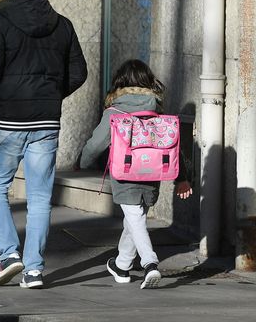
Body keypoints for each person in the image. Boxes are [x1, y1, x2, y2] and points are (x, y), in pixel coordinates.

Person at [0, 0, 88, 289]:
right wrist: (50, 95)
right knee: (40, 196)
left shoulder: (0, 21)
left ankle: (9, 255)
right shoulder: (62, 25)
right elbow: (79, 73)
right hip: (46, 121)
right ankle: (35, 270)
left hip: (9, 119)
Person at [79, 59, 192, 289]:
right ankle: (121, 265)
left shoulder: (114, 112)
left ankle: (150, 263)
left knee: (135, 218)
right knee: (134, 220)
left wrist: (81, 162)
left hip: (125, 174)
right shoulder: (157, 111)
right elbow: (174, 148)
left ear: (120, 83)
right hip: (152, 176)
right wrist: (182, 178)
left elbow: (95, 144)